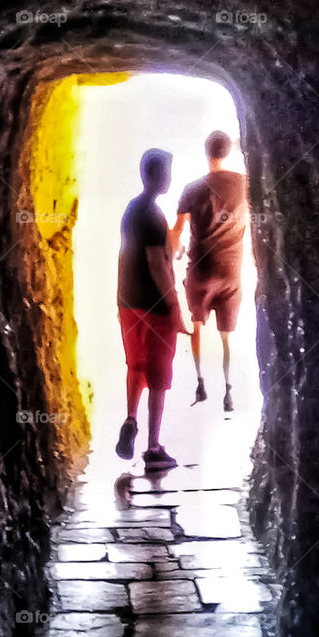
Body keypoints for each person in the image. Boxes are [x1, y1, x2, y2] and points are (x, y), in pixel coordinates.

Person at [115, 148, 187, 471]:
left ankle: (131, 419)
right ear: (156, 176)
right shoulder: (154, 216)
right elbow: (157, 263)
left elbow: (130, 254)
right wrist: (173, 305)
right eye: (167, 173)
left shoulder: (132, 210)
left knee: (136, 365)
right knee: (159, 376)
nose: (170, 178)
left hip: (128, 302)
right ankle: (153, 447)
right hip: (156, 307)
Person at [170, 130, 247, 410]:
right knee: (227, 335)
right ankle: (228, 389)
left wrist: (171, 248)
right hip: (231, 271)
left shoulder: (192, 188)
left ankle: (200, 382)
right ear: (227, 153)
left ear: (207, 152)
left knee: (197, 326)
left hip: (201, 270)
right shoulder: (243, 184)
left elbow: (176, 233)